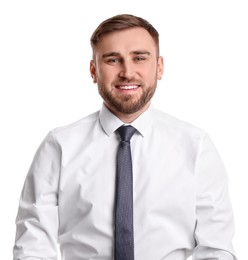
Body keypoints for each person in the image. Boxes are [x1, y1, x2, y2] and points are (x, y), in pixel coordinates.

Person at [13, 14, 237, 260]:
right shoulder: (60, 146)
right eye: (112, 60)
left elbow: (216, 249)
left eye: (139, 58)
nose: (127, 72)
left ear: (159, 67)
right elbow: (33, 247)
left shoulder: (196, 146)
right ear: (93, 70)